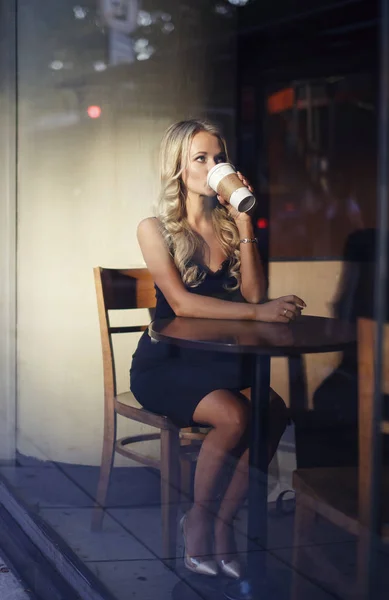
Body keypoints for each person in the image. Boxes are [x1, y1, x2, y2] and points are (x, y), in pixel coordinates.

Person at [130, 119, 306, 579]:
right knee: (234, 416)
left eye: (218, 157)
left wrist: (245, 220)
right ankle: (199, 525)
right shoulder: (155, 228)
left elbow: (251, 295)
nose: (213, 167)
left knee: (273, 410)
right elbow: (184, 303)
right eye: (201, 159)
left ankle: (224, 524)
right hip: (166, 363)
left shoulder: (229, 227)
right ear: (178, 169)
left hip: (218, 361)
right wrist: (261, 314)